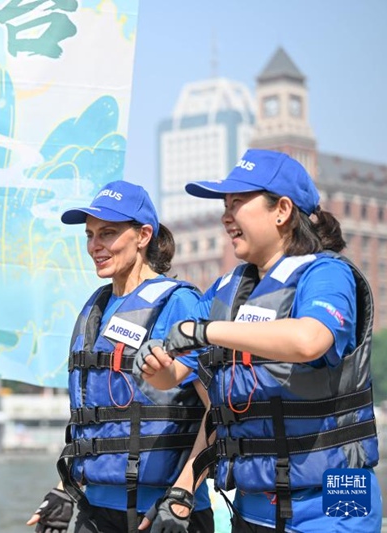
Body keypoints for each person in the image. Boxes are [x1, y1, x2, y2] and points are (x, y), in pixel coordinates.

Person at [136, 149, 381, 532]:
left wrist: (205, 331)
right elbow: (173, 377)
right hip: (253, 506)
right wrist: (157, 366)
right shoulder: (225, 291)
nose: (225, 216)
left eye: (237, 203)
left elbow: (309, 339)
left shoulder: (327, 274)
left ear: (282, 211)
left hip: (335, 494)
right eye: (224, 205)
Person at [27, 181, 214, 533]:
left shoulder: (179, 303)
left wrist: (183, 493)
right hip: (96, 511)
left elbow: (218, 411)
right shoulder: (96, 307)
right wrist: (65, 490)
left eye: (108, 234)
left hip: (164, 514)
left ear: (143, 235)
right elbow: (98, 420)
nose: (95, 246)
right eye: (90, 235)